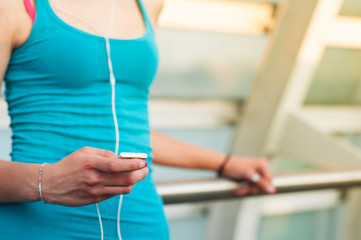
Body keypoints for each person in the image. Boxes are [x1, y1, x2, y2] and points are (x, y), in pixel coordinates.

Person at [0, 0, 275, 239]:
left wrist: (223, 163)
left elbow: (134, 133)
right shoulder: (13, 7)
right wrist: (45, 181)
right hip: (42, 224)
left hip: (143, 224)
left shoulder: (149, 4)